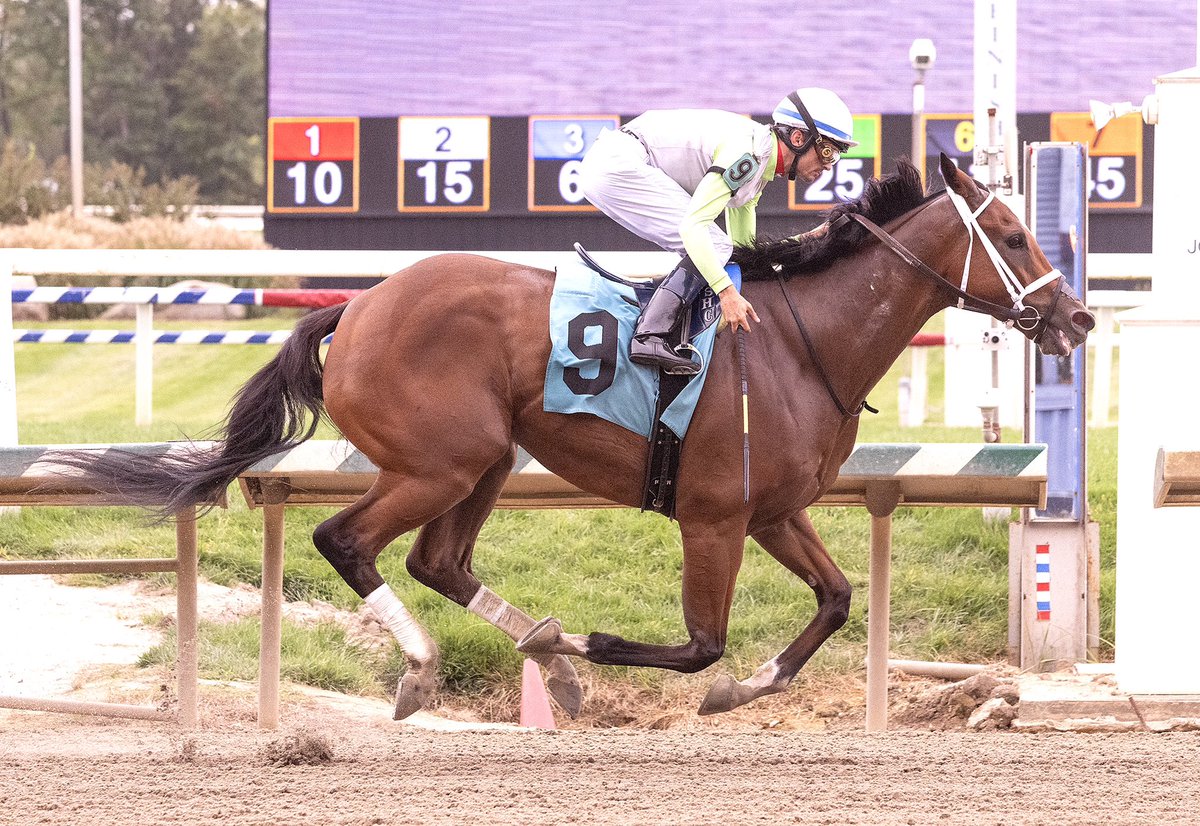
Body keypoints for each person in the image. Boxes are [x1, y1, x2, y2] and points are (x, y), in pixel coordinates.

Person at [579, 87, 857, 375]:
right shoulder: (748, 155)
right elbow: (693, 228)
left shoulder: (759, 169)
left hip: (620, 159)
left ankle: (660, 324)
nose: (828, 166)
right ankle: (650, 334)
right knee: (712, 244)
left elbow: (743, 251)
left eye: (834, 156)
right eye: (827, 152)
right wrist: (727, 294)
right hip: (619, 163)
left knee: (723, 252)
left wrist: (804, 240)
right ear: (798, 138)